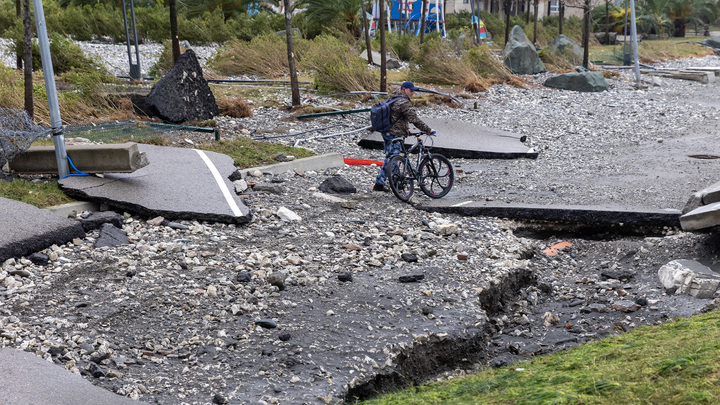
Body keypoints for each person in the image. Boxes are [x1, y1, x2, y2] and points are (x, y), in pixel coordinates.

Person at [374, 81, 434, 192]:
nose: (412, 93)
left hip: (386, 131)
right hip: (394, 134)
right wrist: (428, 130)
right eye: (410, 91)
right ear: (404, 89)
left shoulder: (393, 97)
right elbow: (414, 119)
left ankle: (397, 181)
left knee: (392, 157)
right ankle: (379, 184)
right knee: (392, 158)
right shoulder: (404, 102)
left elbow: (396, 116)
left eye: (413, 91)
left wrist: (406, 128)